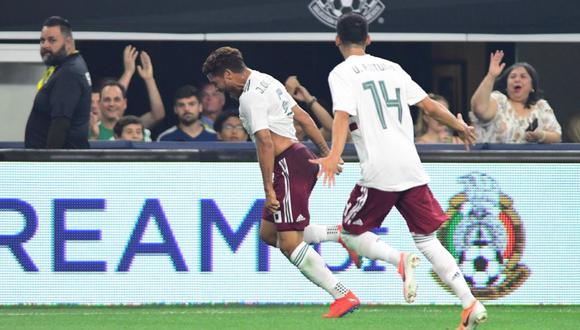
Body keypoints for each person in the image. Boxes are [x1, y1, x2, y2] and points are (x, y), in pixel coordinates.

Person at [310, 13, 485, 329]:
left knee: (351, 232)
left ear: (337, 40)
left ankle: (399, 260)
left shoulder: (341, 73)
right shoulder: (393, 68)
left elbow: (341, 115)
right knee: (428, 239)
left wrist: (334, 154)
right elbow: (429, 106)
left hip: (380, 170)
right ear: (369, 39)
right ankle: (469, 301)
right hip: (411, 166)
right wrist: (460, 125)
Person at [202, 46, 360, 318]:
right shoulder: (267, 80)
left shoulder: (250, 97)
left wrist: (268, 190)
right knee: (268, 234)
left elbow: (264, 141)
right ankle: (339, 235)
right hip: (296, 159)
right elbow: (303, 117)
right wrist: (326, 153)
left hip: (287, 164)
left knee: (289, 243)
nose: (217, 88)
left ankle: (342, 294)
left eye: (216, 82)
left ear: (227, 74)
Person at [25, 16, 91, 149]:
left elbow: (60, 123)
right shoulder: (64, 67)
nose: (45, 45)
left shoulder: (69, 72)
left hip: (62, 164)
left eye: (52, 40)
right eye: (42, 40)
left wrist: (50, 163)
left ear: (68, 42)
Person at [470, 50, 562, 144]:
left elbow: (557, 136)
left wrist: (541, 135)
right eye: (513, 77)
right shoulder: (499, 101)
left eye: (523, 76)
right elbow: (479, 109)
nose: (517, 80)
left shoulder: (541, 107)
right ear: (506, 85)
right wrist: (491, 76)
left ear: (532, 86)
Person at [90, 46, 165, 141]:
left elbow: (157, 115)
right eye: (106, 100)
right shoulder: (90, 128)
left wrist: (149, 79)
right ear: (99, 103)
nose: (112, 104)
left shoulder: (133, 128)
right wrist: (128, 72)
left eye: (117, 100)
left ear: (125, 103)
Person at [285, 75, 334, 141]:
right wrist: (288, 95)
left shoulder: (312, 142)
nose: (298, 129)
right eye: (293, 124)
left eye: (300, 124)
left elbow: (331, 129)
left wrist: (309, 99)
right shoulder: (276, 141)